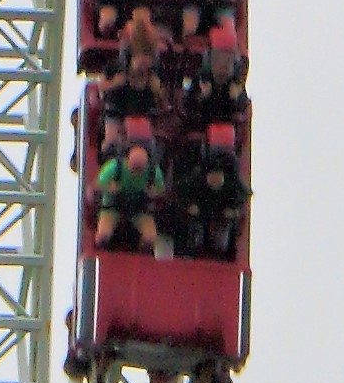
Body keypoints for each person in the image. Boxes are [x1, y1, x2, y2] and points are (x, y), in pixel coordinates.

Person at [176, 124, 250, 259]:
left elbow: (245, 194)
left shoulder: (232, 184)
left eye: (218, 176)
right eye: (212, 176)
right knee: (195, 239)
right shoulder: (196, 181)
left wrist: (234, 210)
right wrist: (189, 206)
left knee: (221, 243)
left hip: (221, 215)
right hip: (201, 213)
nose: (215, 180)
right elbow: (181, 191)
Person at [95, 121, 166, 254]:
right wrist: (108, 188)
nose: (137, 173)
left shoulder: (153, 172)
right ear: (128, 161)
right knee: (103, 235)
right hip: (113, 206)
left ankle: (142, 256)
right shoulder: (113, 167)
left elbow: (161, 190)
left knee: (150, 237)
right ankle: (101, 254)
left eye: (140, 169)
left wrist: (154, 193)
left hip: (139, 209)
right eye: (134, 168)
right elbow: (96, 186)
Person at [98, 39, 166, 151]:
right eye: (141, 56)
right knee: (111, 142)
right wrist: (114, 84)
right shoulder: (115, 69)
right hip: (117, 112)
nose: (144, 61)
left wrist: (158, 91)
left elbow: (161, 103)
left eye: (148, 57)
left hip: (143, 115)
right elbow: (101, 88)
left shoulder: (154, 76)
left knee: (152, 145)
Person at [180, 18, 249, 126]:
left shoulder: (235, 84)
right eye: (218, 58)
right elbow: (187, 107)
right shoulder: (200, 79)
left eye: (228, 59)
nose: (223, 64)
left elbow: (242, 110)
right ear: (210, 59)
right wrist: (202, 97)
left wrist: (235, 99)